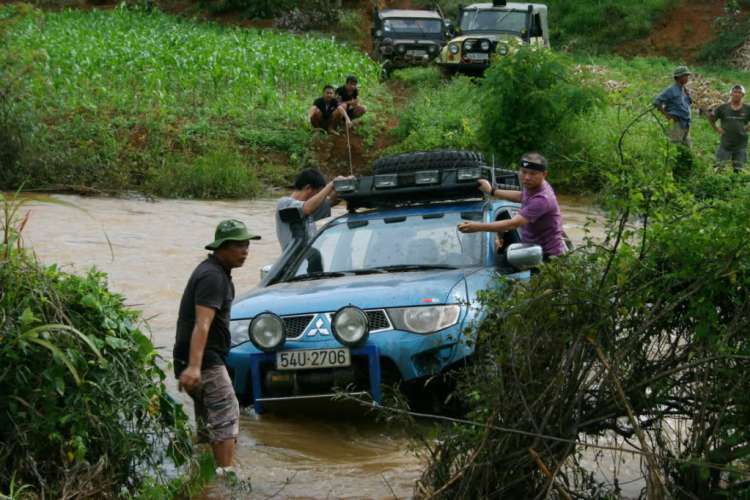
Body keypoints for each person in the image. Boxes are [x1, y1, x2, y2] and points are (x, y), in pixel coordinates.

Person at [173, 219, 260, 469]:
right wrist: (194, 367)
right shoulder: (213, 276)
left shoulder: (214, 272)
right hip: (205, 361)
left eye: (247, 245)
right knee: (227, 416)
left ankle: (199, 476)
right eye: (239, 246)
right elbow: (202, 324)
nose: (245, 251)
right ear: (221, 247)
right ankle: (224, 481)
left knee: (208, 425)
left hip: (196, 360)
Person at [458, 152, 566, 261]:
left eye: (533, 173)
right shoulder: (534, 187)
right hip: (534, 252)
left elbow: (514, 223)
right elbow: (521, 196)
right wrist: (492, 191)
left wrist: (477, 227)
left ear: (544, 174)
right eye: (523, 172)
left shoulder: (542, 199)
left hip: (549, 257)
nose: (527, 177)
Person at [275, 168, 346, 251]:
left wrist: (342, 186)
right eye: (318, 192)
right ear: (308, 188)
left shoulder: (309, 208)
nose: (320, 197)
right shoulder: (284, 203)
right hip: (294, 262)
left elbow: (331, 201)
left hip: (309, 260)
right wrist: (330, 185)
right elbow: (307, 209)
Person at [708, 85, 750, 172]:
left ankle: (735, 184)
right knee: (718, 168)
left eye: (740, 93)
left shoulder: (747, 108)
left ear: (743, 95)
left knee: (739, 170)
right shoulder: (723, 107)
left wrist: (748, 128)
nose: (737, 94)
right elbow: (711, 118)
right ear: (731, 94)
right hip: (726, 143)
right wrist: (717, 129)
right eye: (735, 92)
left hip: (741, 144)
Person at [653, 66, 693, 148]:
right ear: (678, 77)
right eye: (685, 75)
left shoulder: (685, 90)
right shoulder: (671, 90)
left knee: (687, 148)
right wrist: (667, 116)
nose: (687, 78)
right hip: (676, 123)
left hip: (685, 123)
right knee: (674, 147)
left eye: (687, 75)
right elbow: (657, 102)